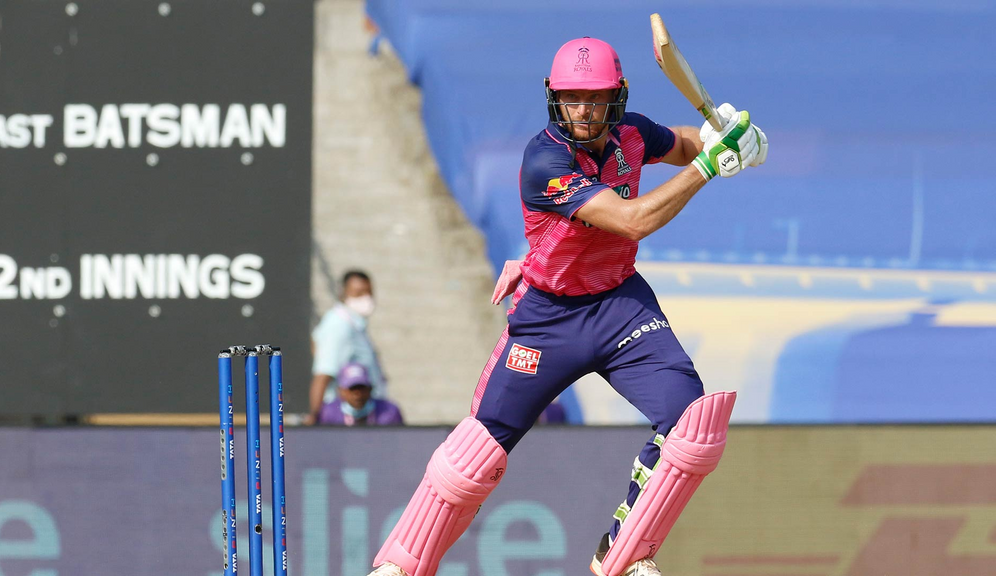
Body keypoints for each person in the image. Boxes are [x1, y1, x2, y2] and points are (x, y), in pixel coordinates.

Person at [369, 37, 767, 576]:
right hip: (549, 318)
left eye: (595, 98)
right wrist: (710, 166)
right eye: (571, 97)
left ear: (617, 96)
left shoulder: (631, 134)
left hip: (620, 306)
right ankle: (401, 564)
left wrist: (728, 137)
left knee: (692, 424)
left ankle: (624, 554)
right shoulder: (545, 160)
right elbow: (632, 221)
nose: (582, 109)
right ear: (553, 96)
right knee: (473, 456)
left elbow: (683, 142)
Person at [305, 269, 387, 425]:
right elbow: (323, 374)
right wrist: (314, 418)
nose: (366, 298)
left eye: (368, 292)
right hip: (343, 417)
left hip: (366, 414)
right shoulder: (339, 325)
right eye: (358, 293)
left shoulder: (356, 325)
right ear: (343, 294)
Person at [318, 362, 404, 426]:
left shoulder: (389, 411)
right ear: (341, 391)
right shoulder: (328, 412)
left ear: (370, 389)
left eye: (362, 388)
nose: (358, 394)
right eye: (352, 389)